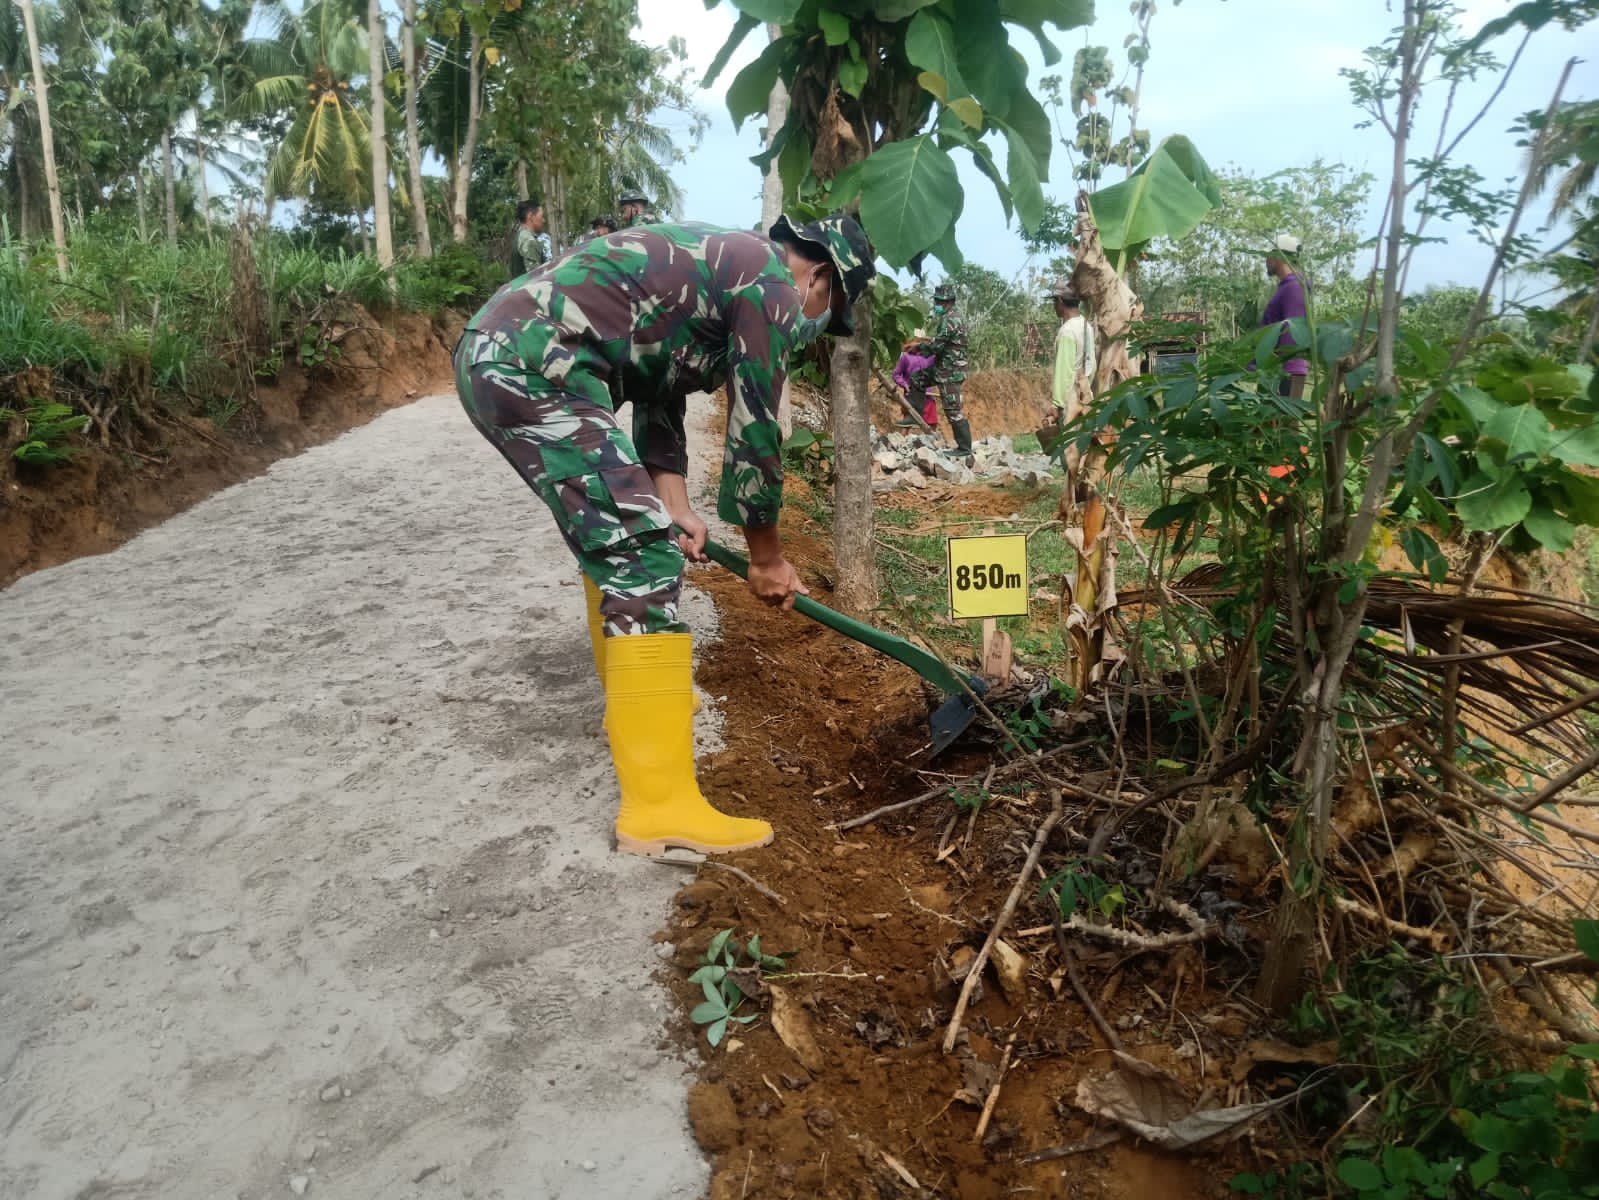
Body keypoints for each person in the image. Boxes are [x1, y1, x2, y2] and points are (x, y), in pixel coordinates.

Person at [453, 213, 876, 857]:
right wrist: (767, 555)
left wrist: (673, 501)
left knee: (628, 537)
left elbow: (661, 387)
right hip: (530, 363)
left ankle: (640, 707)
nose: (817, 323)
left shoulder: (725, 265)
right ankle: (659, 806)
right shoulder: (771, 284)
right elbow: (756, 427)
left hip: (510, 354)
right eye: (830, 309)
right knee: (638, 556)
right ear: (820, 276)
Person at [1260, 234, 1308, 398]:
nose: (1266, 260)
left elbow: (1292, 330)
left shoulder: (1294, 286)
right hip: (1276, 369)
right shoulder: (1288, 286)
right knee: (1270, 422)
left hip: (1285, 370)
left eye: (1268, 256)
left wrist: (1279, 369)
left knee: (1283, 422)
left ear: (1278, 257)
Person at [927, 282, 972, 454]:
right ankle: (912, 414)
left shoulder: (950, 320)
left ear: (948, 302)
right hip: (946, 370)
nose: (937, 305)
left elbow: (936, 346)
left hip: (950, 372)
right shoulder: (952, 317)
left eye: (939, 302)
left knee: (953, 409)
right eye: (936, 301)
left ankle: (964, 448)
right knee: (919, 378)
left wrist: (918, 347)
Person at [1047, 278, 1096, 426]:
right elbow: (1091, 364)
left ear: (1061, 301)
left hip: (1070, 402)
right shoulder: (1086, 326)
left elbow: (1064, 370)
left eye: (1054, 302)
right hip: (1086, 395)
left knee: (1069, 446)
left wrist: (1056, 404)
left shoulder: (1067, 331)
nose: (1054, 306)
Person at [891, 330, 937, 428]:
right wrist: (905, 384)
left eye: (920, 341)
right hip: (912, 396)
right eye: (914, 340)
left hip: (927, 396)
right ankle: (901, 442)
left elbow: (941, 346)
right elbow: (896, 374)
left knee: (932, 424)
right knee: (908, 424)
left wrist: (930, 339)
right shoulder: (905, 357)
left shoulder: (930, 356)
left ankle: (934, 442)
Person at [510, 200, 547, 276]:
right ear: (531, 217)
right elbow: (535, 278)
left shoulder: (520, 235)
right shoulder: (529, 240)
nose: (544, 220)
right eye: (542, 216)